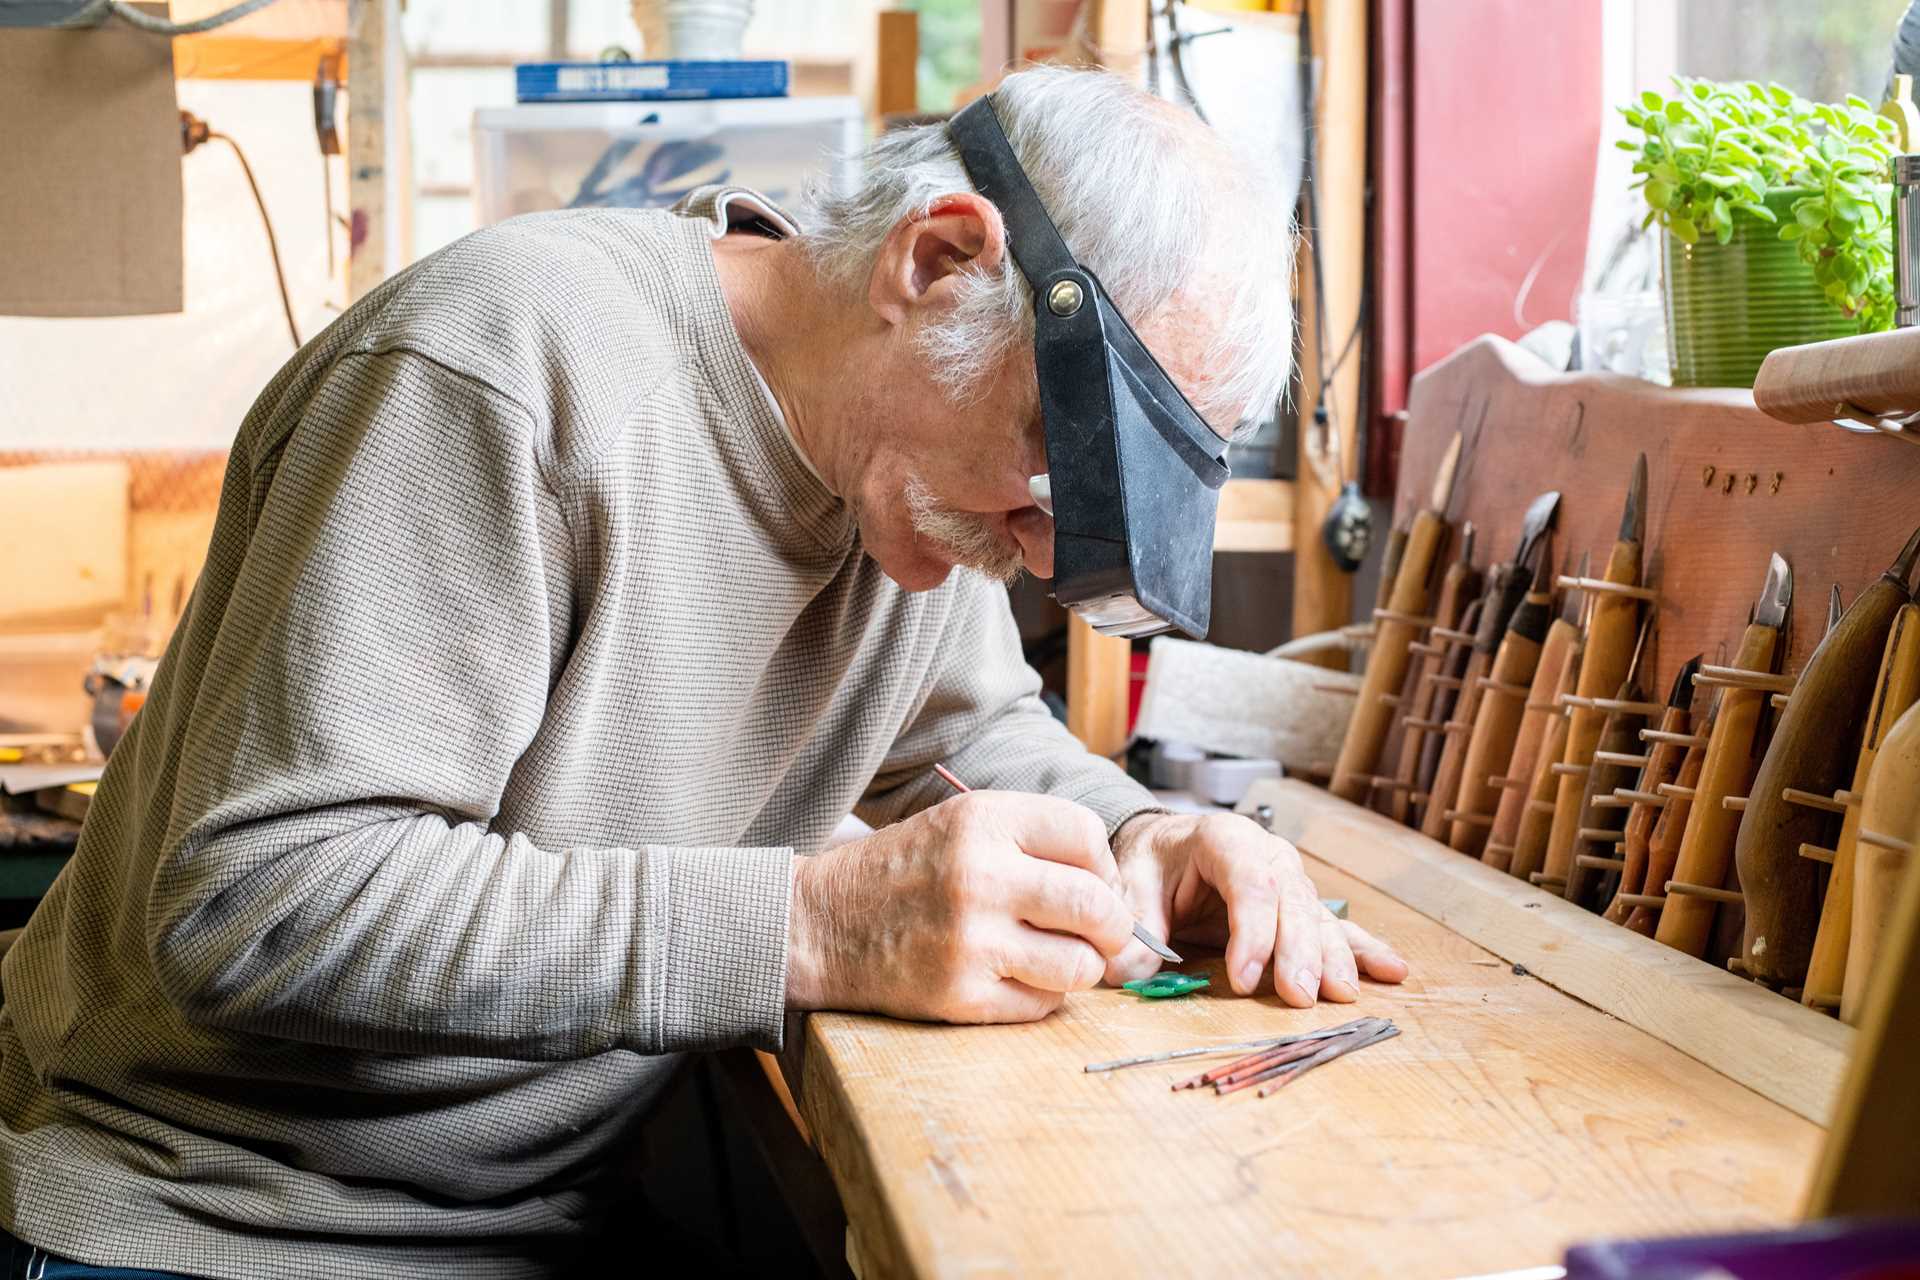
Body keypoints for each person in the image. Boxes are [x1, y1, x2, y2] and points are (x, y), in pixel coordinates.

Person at [0, 66, 1406, 1278]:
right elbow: (260, 902)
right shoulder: (499, 369)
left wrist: (1149, 834)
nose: (1050, 547)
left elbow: (981, 739)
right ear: (935, 265)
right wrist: (812, 927)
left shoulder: (911, 485)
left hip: (550, 1218)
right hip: (219, 1224)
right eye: (1063, 454)